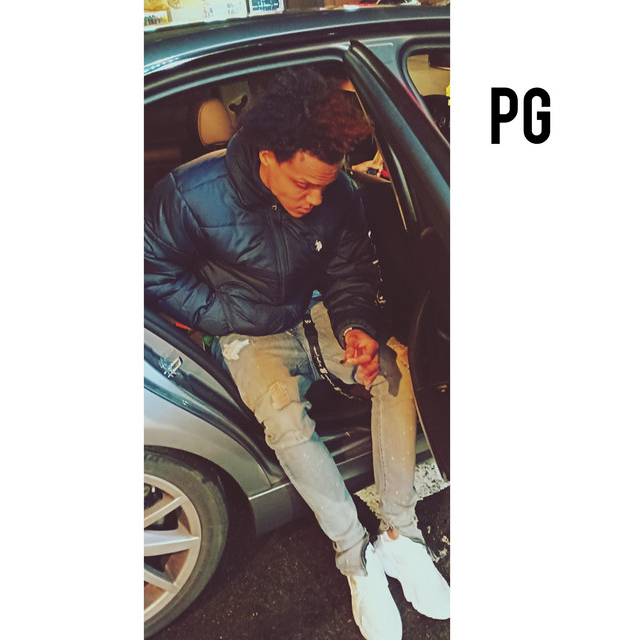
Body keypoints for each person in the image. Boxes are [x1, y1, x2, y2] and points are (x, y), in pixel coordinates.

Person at [144, 66, 449, 640]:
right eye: (304, 184)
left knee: (397, 368)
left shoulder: (339, 192)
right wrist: (225, 315)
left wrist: (357, 325)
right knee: (285, 417)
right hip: (247, 330)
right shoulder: (191, 192)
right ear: (267, 157)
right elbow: (151, 270)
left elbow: (350, 270)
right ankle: (356, 559)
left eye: (325, 186)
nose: (316, 198)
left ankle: (401, 535)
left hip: (318, 313)